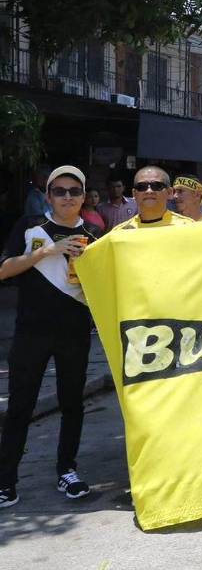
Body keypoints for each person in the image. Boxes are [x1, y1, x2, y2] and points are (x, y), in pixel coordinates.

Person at [0, 165, 104, 507]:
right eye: (59, 191)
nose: (67, 197)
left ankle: (67, 470)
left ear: (84, 196)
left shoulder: (92, 232)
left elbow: (106, 285)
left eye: (74, 191)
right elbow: (4, 270)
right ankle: (6, 479)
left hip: (74, 333)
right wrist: (47, 251)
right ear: (48, 196)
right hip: (31, 332)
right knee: (20, 407)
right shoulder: (31, 227)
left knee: (72, 403)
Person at [112, 167, 195, 230]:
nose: (149, 191)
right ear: (134, 194)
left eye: (157, 186)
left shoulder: (188, 227)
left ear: (170, 193)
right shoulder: (121, 232)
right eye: (142, 187)